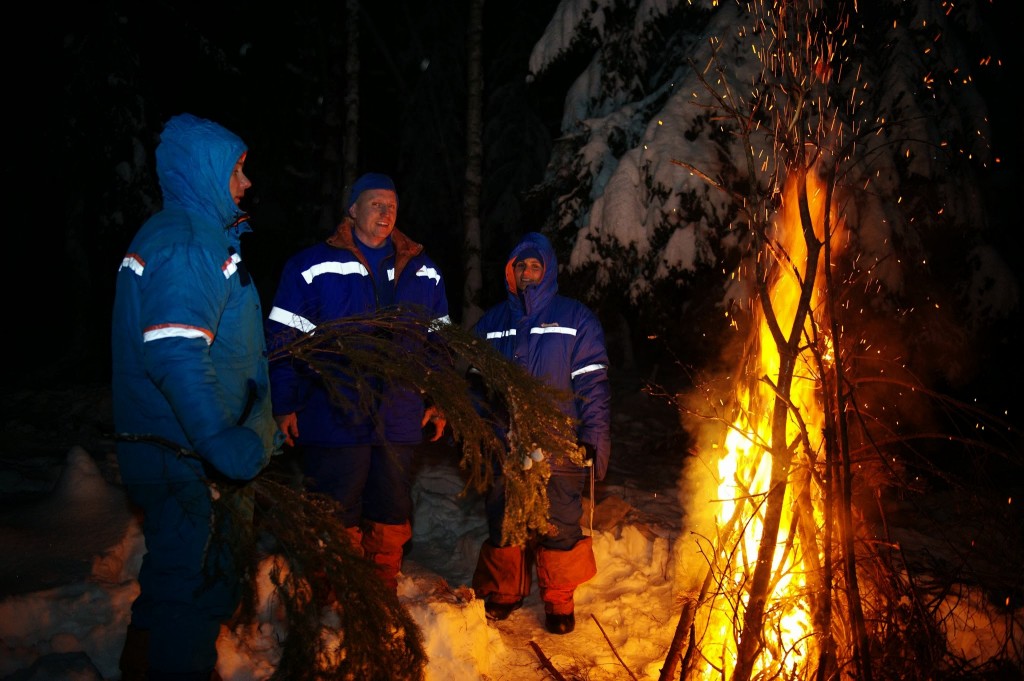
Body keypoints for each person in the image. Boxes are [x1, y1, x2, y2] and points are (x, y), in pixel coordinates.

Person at [111, 113, 280, 680]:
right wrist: (219, 440)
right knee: (200, 577)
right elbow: (176, 355)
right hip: (187, 454)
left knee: (177, 570)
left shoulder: (196, 236)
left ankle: (144, 660)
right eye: (238, 170)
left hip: (180, 449)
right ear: (205, 170)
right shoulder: (186, 244)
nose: (247, 182)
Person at [265, 172, 450, 592]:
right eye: (375, 204)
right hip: (333, 408)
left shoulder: (423, 271)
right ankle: (331, 589)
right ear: (352, 209)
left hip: (400, 411)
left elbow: (440, 343)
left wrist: (439, 398)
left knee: (391, 504)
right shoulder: (310, 266)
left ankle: (380, 586)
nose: (385, 213)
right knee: (334, 501)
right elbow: (282, 340)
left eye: (392, 205)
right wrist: (284, 401)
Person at [469, 231, 611, 635]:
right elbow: (475, 383)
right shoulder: (493, 322)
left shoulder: (575, 318)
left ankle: (558, 597)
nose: (528, 272)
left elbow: (593, 384)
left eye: (535, 265)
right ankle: (505, 590)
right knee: (504, 515)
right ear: (510, 273)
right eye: (521, 266)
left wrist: (594, 436)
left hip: (558, 438)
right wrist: (479, 429)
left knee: (559, 519)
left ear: (547, 271)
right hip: (505, 439)